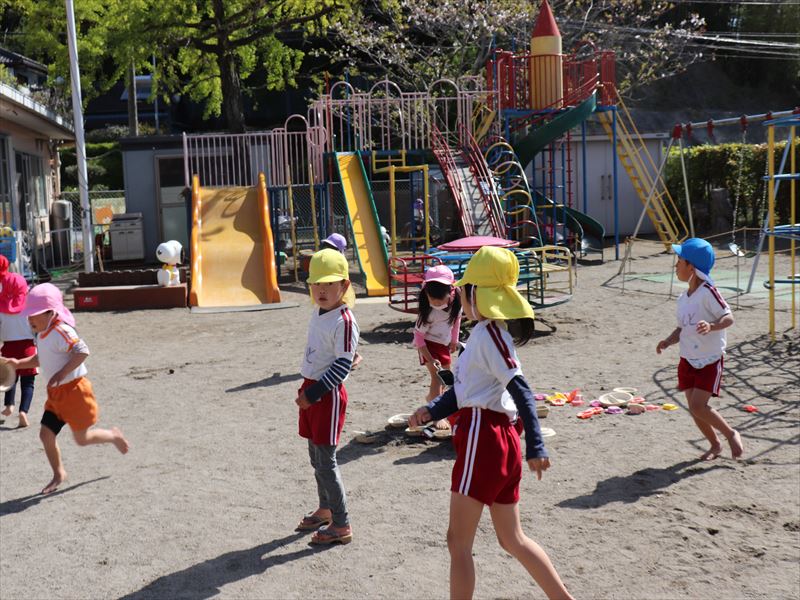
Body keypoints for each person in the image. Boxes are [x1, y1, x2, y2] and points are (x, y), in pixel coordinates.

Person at [409, 246, 572, 600]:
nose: (461, 297)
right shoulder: (486, 335)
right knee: (512, 538)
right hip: (499, 439)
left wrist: (537, 444)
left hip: (483, 438)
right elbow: (466, 391)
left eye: (465, 289)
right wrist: (432, 410)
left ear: (477, 294)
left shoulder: (488, 336)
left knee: (458, 542)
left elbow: (522, 390)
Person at [5, 283, 129, 494]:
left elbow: (83, 350)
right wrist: (18, 363)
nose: (29, 318)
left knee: (82, 439)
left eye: (34, 314)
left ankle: (113, 436)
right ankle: (58, 473)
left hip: (75, 392)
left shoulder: (61, 330)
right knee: (45, 435)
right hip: (56, 395)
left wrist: (62, 373)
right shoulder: (42, 333)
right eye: (28, 314)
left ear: (51, 313)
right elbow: (41, 358)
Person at [656, 238, 741, 460]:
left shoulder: (709, 292)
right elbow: (681, 328)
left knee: (697, 406)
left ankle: (730, 434)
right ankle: (715, 445)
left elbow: (728, 317)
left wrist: (712, 326)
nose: (676, 265)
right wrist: (668, 341)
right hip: (687, 359)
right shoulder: (683, 298)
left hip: (709, 360)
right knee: (695, 409)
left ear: (691, 267)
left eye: (679, 261)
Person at [295, 249, 359, 545]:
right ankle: (325, 509)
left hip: (327, 395)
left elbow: (342, 364)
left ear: (344, 286)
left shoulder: (344, 319)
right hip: (311, 388)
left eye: (329, 284)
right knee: (315, 457)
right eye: (316, 284)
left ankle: (341, 524)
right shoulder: (319, 312)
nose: (321, 290)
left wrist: (313, 394)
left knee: (326, 461)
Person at [413, 264, 461, 430]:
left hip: (443, 344)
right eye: (432, 300)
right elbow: (418, 338)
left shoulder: (456, 301)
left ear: (450, 292)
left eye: (440, 301)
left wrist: (454, 340)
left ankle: (432, 399)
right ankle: (436, 415)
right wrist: (430, 358)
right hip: (427, 345)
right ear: (426, 293)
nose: (436, 304)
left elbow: (456, 320)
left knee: (446, 377)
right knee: (437, 377)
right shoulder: (427, 312)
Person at [0, 256, 37, 428]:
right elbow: (37, 328)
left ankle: (9, 405)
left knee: (10, 378)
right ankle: (23, 412)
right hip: (27, 347)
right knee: (28, 382)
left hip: (8, 346)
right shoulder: (29, 307)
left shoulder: (1, 308)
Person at [319, 233, 363, 369]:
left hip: (339, 299)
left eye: (330, 247)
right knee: (335, 331)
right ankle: (353, 355)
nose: (326, 249)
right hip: (330, 299)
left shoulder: (339, 263)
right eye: (326, 246)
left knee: (343, 329)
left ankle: (354, 355)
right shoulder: (327, 261)